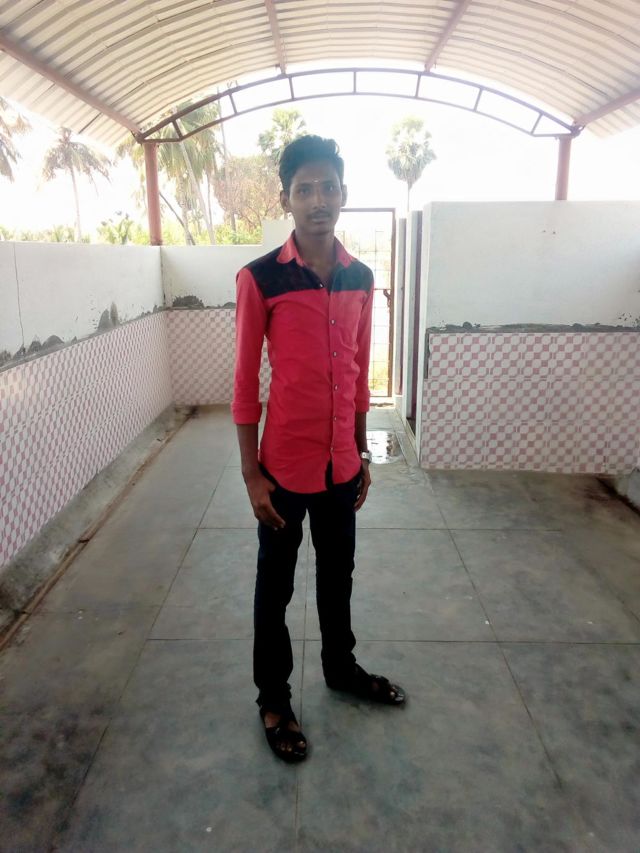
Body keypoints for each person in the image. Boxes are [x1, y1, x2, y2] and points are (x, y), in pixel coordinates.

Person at [232, 135, 405, 763]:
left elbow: (356, 377)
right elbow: (244, 384)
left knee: (338, 575)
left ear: (343, 194)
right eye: (303, 189)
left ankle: (340, 668)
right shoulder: (261, 278)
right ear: (286, 198)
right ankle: (274, 699)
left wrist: (361, 454)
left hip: (340, 466)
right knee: (274, 588)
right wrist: (251, 475)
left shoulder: (360, 277)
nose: (317, 200)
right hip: (282, 469)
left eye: (327, 187)